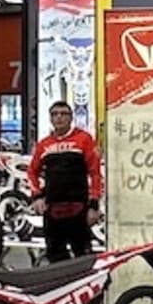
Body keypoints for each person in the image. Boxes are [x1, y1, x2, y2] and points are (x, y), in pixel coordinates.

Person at [28, 101, 103, 261]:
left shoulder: (84, 139)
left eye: (63, 114)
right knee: (56, 259)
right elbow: (32, 172)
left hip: (79, 209)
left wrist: (94, 205)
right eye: (55, 114)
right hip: (52, 211)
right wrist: (37, 196)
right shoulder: (44, 145)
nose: (59, 117)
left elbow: (95, 174)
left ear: (71, 117)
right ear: (50, 118)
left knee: (84, 259)